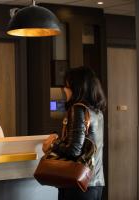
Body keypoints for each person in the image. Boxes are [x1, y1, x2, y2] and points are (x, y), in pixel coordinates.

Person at [43, 66, 106, 200]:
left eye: (66, 86)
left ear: (76, 88)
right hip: (95, 181)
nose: (64, 90)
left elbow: (74, 149)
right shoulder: (97, 111)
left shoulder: (78, 109)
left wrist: (52, 144)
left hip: (77, 184)